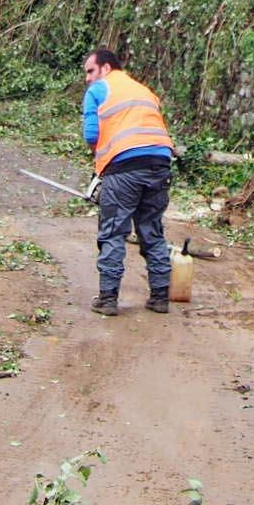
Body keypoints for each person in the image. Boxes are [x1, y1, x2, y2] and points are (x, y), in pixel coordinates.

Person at [80, 46, 175, 317]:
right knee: (151, 230)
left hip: (124, 169)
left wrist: (101, 165)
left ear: (106, 68)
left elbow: (91, 134)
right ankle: (160, 297)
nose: (88, 78)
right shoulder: (145, 91)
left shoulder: (98, 90)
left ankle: (108, 299)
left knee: (113, 231)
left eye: (90, 71)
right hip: (160, 165)